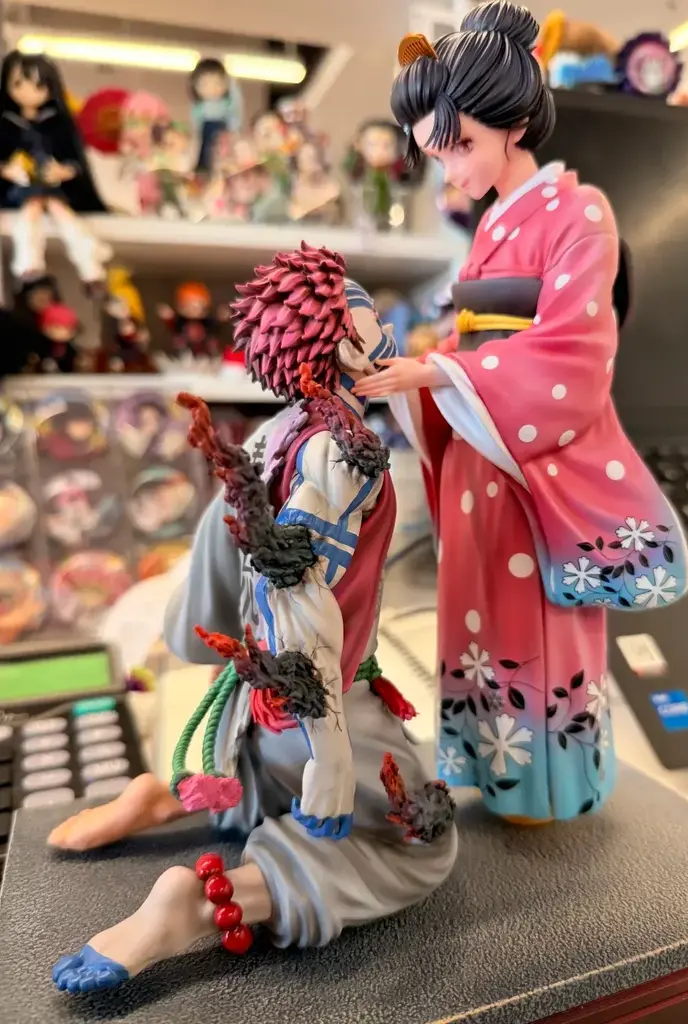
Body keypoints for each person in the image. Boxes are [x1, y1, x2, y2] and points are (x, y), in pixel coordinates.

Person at [48, 245, 457, 994]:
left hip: (251, 710)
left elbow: (218, 554)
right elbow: (296, 588)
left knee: (279, 783)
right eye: (372, 321)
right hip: (316, 705)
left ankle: (169, 792)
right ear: (344, 344)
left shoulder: (276, 433)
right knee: (420, 845)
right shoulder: (344, 454)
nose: (388, 337)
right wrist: (330, 750)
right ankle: (200, 906)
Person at [354, 2, 688, 825]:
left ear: (511, 123)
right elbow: (471, 336)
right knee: (476, 612)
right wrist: (420, 369)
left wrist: (442, 369)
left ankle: (547, 785)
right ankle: (488, 764)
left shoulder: (581, 212)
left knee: (534, 614)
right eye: (438, 154)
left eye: (459, 146)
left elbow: (575, 349)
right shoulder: (491, 228)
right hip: (480, 447)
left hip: (530, 458)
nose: (451, 170)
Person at [0, 51, 112, 288]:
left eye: (38, 85)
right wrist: (8, 170)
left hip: (51, 186)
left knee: (61, 212)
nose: (28, 91)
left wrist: (63, 171)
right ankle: (28, 261)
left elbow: (74, 162)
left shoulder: (59, 123)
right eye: (18, 83)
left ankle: (89, 263)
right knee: (31, 210)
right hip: (19, 190)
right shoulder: (5, 124)